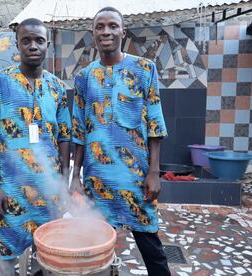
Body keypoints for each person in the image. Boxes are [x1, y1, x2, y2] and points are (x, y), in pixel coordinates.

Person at [71, 7, 171, 276]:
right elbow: (78, 130)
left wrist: (154, 172)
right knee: (94, 248)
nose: (106, 31)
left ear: (123, 32)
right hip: (97, 178)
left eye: (112, 26)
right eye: (100, 27)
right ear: (93, 33)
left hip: (135, 177)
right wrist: (75, 176)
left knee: (151, 246)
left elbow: (155, 124)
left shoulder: (144, 69)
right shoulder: (84, 77)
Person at [0, 18, 71, 276]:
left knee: (46, 259)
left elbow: (64, 137)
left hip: (47, 192)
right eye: (26, 40)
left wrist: (63, 184)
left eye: (39, 40)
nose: (33, 46)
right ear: (17, 45)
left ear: (47, 45)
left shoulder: (57, 89)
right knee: (4, 262)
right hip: (10, 192)